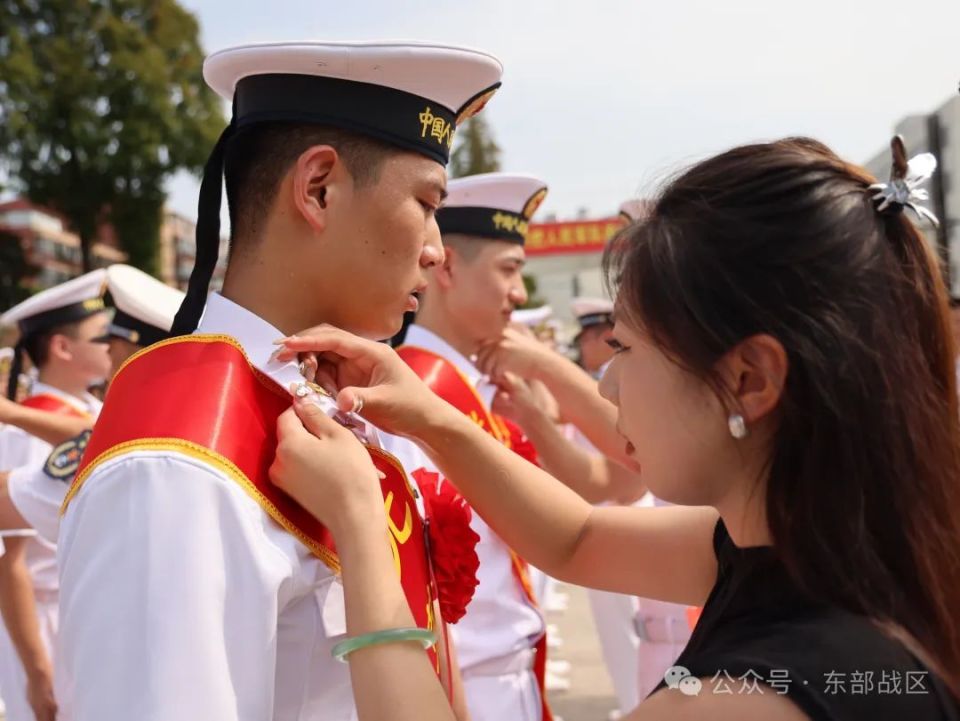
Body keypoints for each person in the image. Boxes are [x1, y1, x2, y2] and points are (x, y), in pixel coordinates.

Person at [269, 136, 960, 721]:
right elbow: (578, 537)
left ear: (749, 379)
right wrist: (430, 417)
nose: (604, 382)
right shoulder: (832, 543)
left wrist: (362, 524)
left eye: (625, 348)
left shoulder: (754, 697)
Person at [55, 40, 503, 721]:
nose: (437, 248)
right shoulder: (177, 459)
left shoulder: (338, 400)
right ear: (318, 188)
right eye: (427, 201)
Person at [387, 172, 555, 721]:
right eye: (509, 269)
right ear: (450, 267)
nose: (520, 294)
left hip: (514, 680)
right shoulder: (410, 394)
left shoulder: (485, 392)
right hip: (462, 693)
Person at [0, 270, 110, 721]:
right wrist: (37, 669)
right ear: (62, 348)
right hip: (44, 624)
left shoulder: (92, 411)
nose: (113, 344)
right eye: (103, 336)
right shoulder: (27, 427)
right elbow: (11, 562)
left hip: (85, 612)